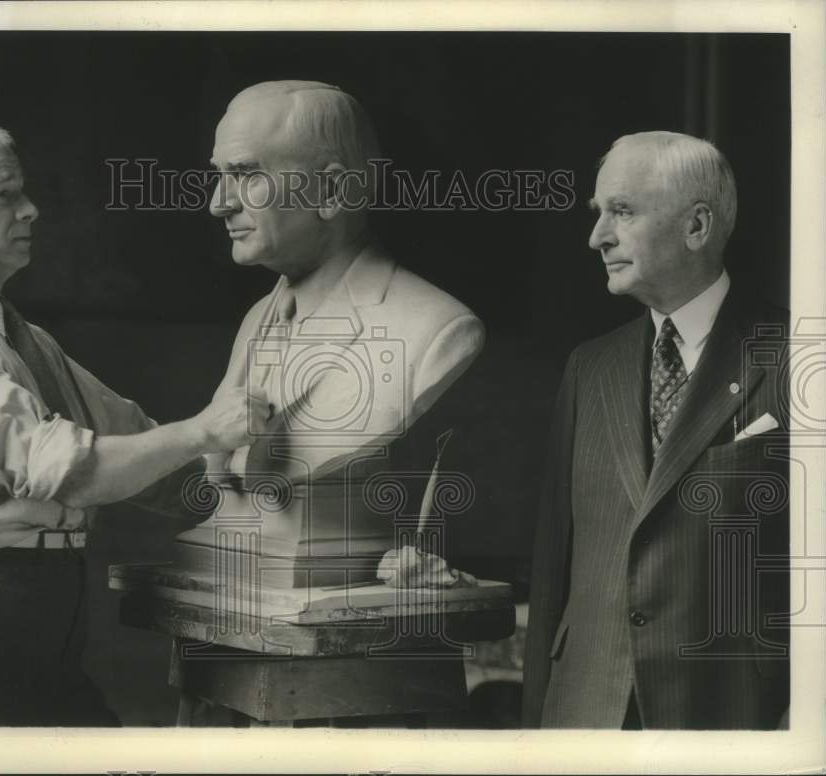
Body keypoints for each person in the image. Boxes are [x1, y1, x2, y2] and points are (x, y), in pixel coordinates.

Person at [0, 120, 268, 725]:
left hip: (36, 615)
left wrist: (264, 501)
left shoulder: (20, 338)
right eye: (5, 195)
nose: (31, 210)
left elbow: (136, 445)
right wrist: (206, 431)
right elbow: (72, 474)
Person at [522, 131, 790, 729]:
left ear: (696, 226)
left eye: (621, 211)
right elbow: (553, 570)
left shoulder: (798, 357)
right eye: (598, 214)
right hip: (585, 714)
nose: (597, 237)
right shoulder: (590, 366)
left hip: (732, 716)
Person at [174, 81, 486, 583]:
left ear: (332, 191)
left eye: (245, 174)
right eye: (219, 177)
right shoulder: (259, 318)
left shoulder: (433, 328)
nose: (217, 204)